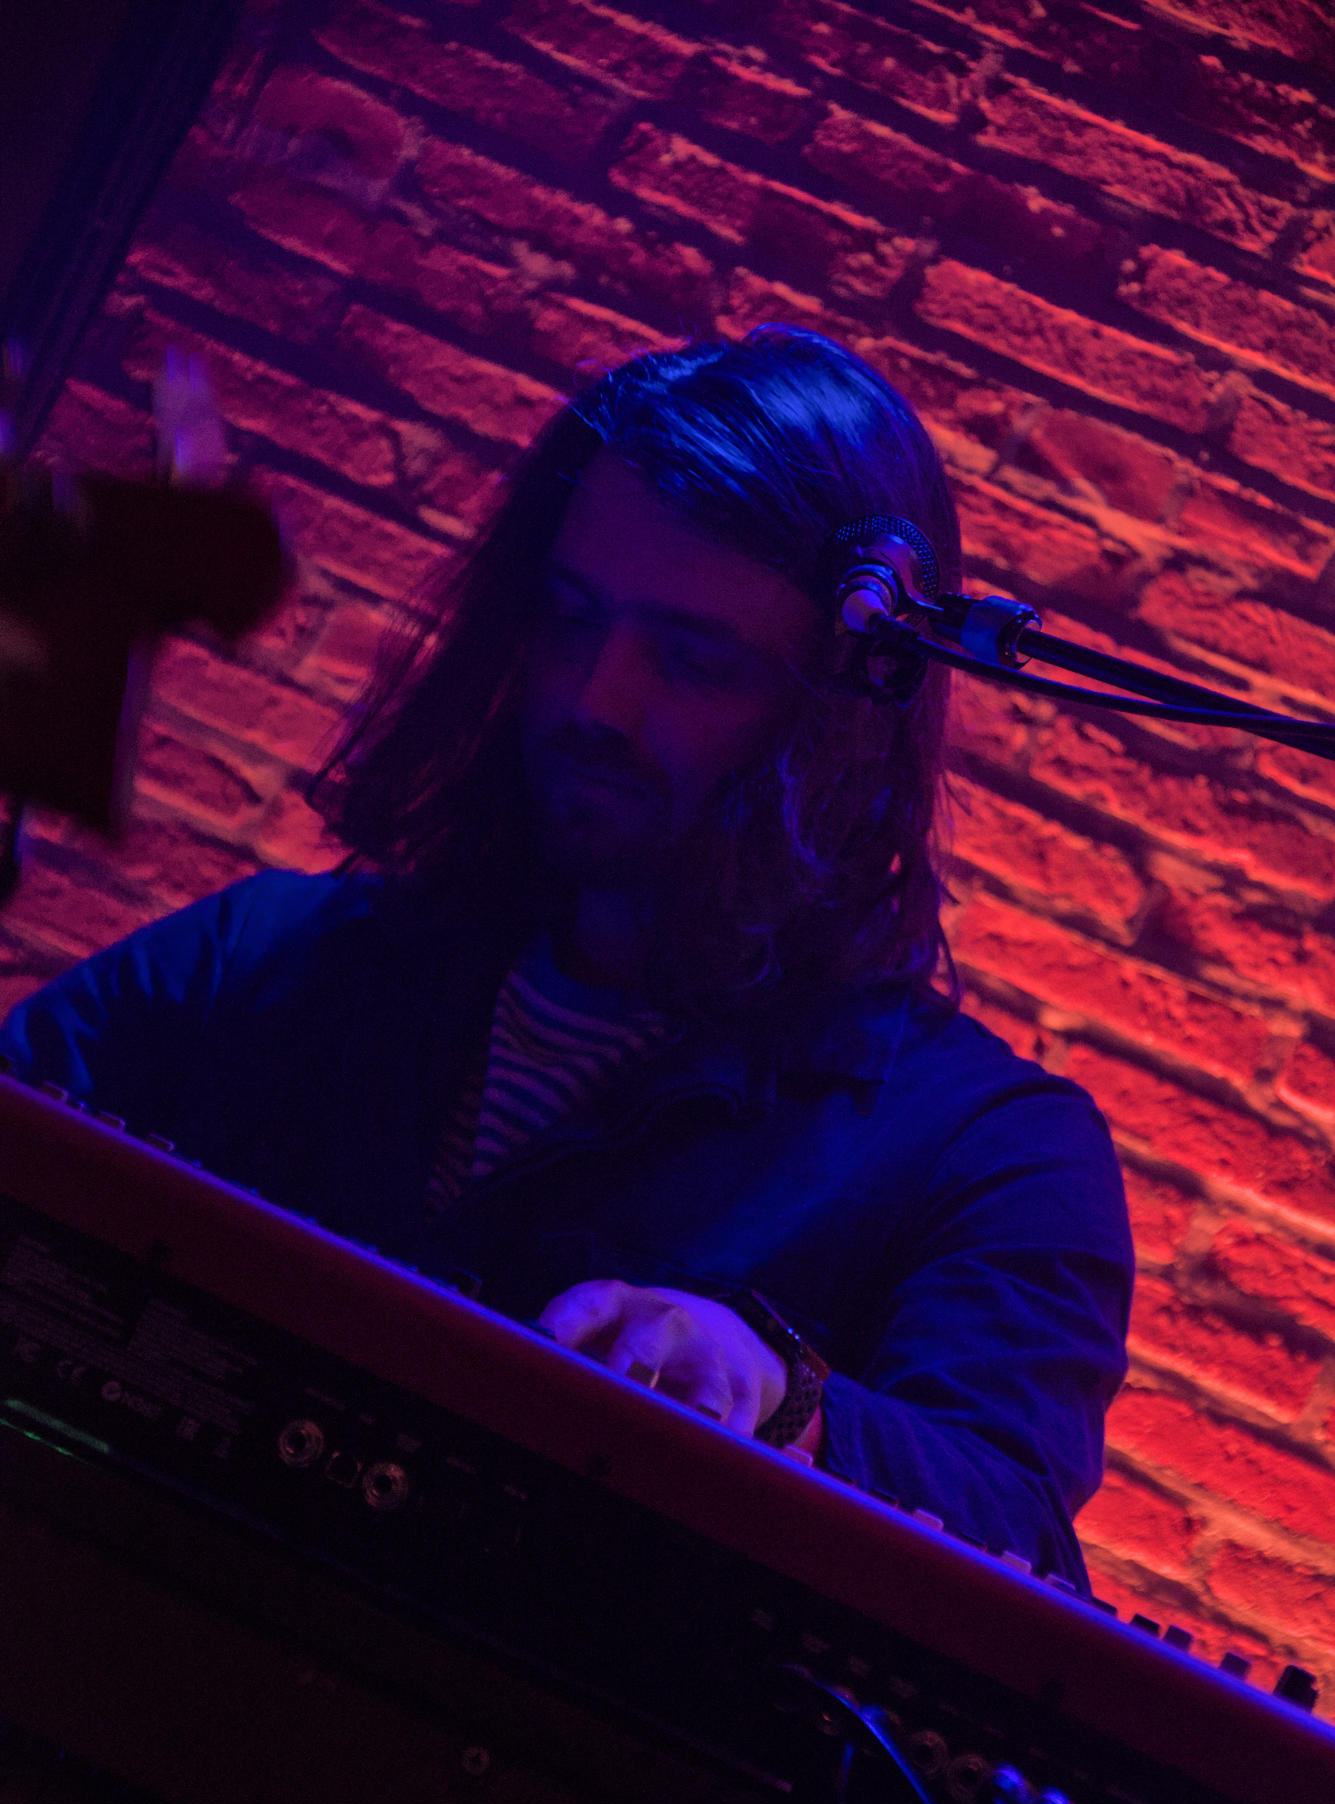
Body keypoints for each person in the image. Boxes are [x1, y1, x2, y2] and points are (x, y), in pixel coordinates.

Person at [0, 326, 1132, 1587]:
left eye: (693, 661)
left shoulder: (994, 1152)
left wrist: (783, 1391)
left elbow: (1011, 1527)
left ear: (844, 718)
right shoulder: (265, 956)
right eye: (570, 619)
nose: (596, 701)